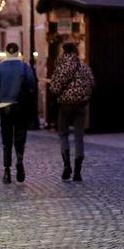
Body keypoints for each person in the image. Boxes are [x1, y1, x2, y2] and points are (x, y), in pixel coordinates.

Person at [0, 43, 37, 184]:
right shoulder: (25, 68)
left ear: (6, 52)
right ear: (18, 52)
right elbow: (32, 86)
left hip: (5, 107)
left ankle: (7, 170)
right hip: (21, 106)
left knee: (6, 140)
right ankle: (19, 161)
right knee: (20, 137)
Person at [50, 41, 94, 182]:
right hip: (81, 105)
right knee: (79, 137)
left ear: (64, 51)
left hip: (65, 105)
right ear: (76, 51)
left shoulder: (61, 67)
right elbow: (92, 84)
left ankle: (67, 165)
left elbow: (55, 88)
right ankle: (78, 172)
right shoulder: (84, 67)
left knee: (63, 134)